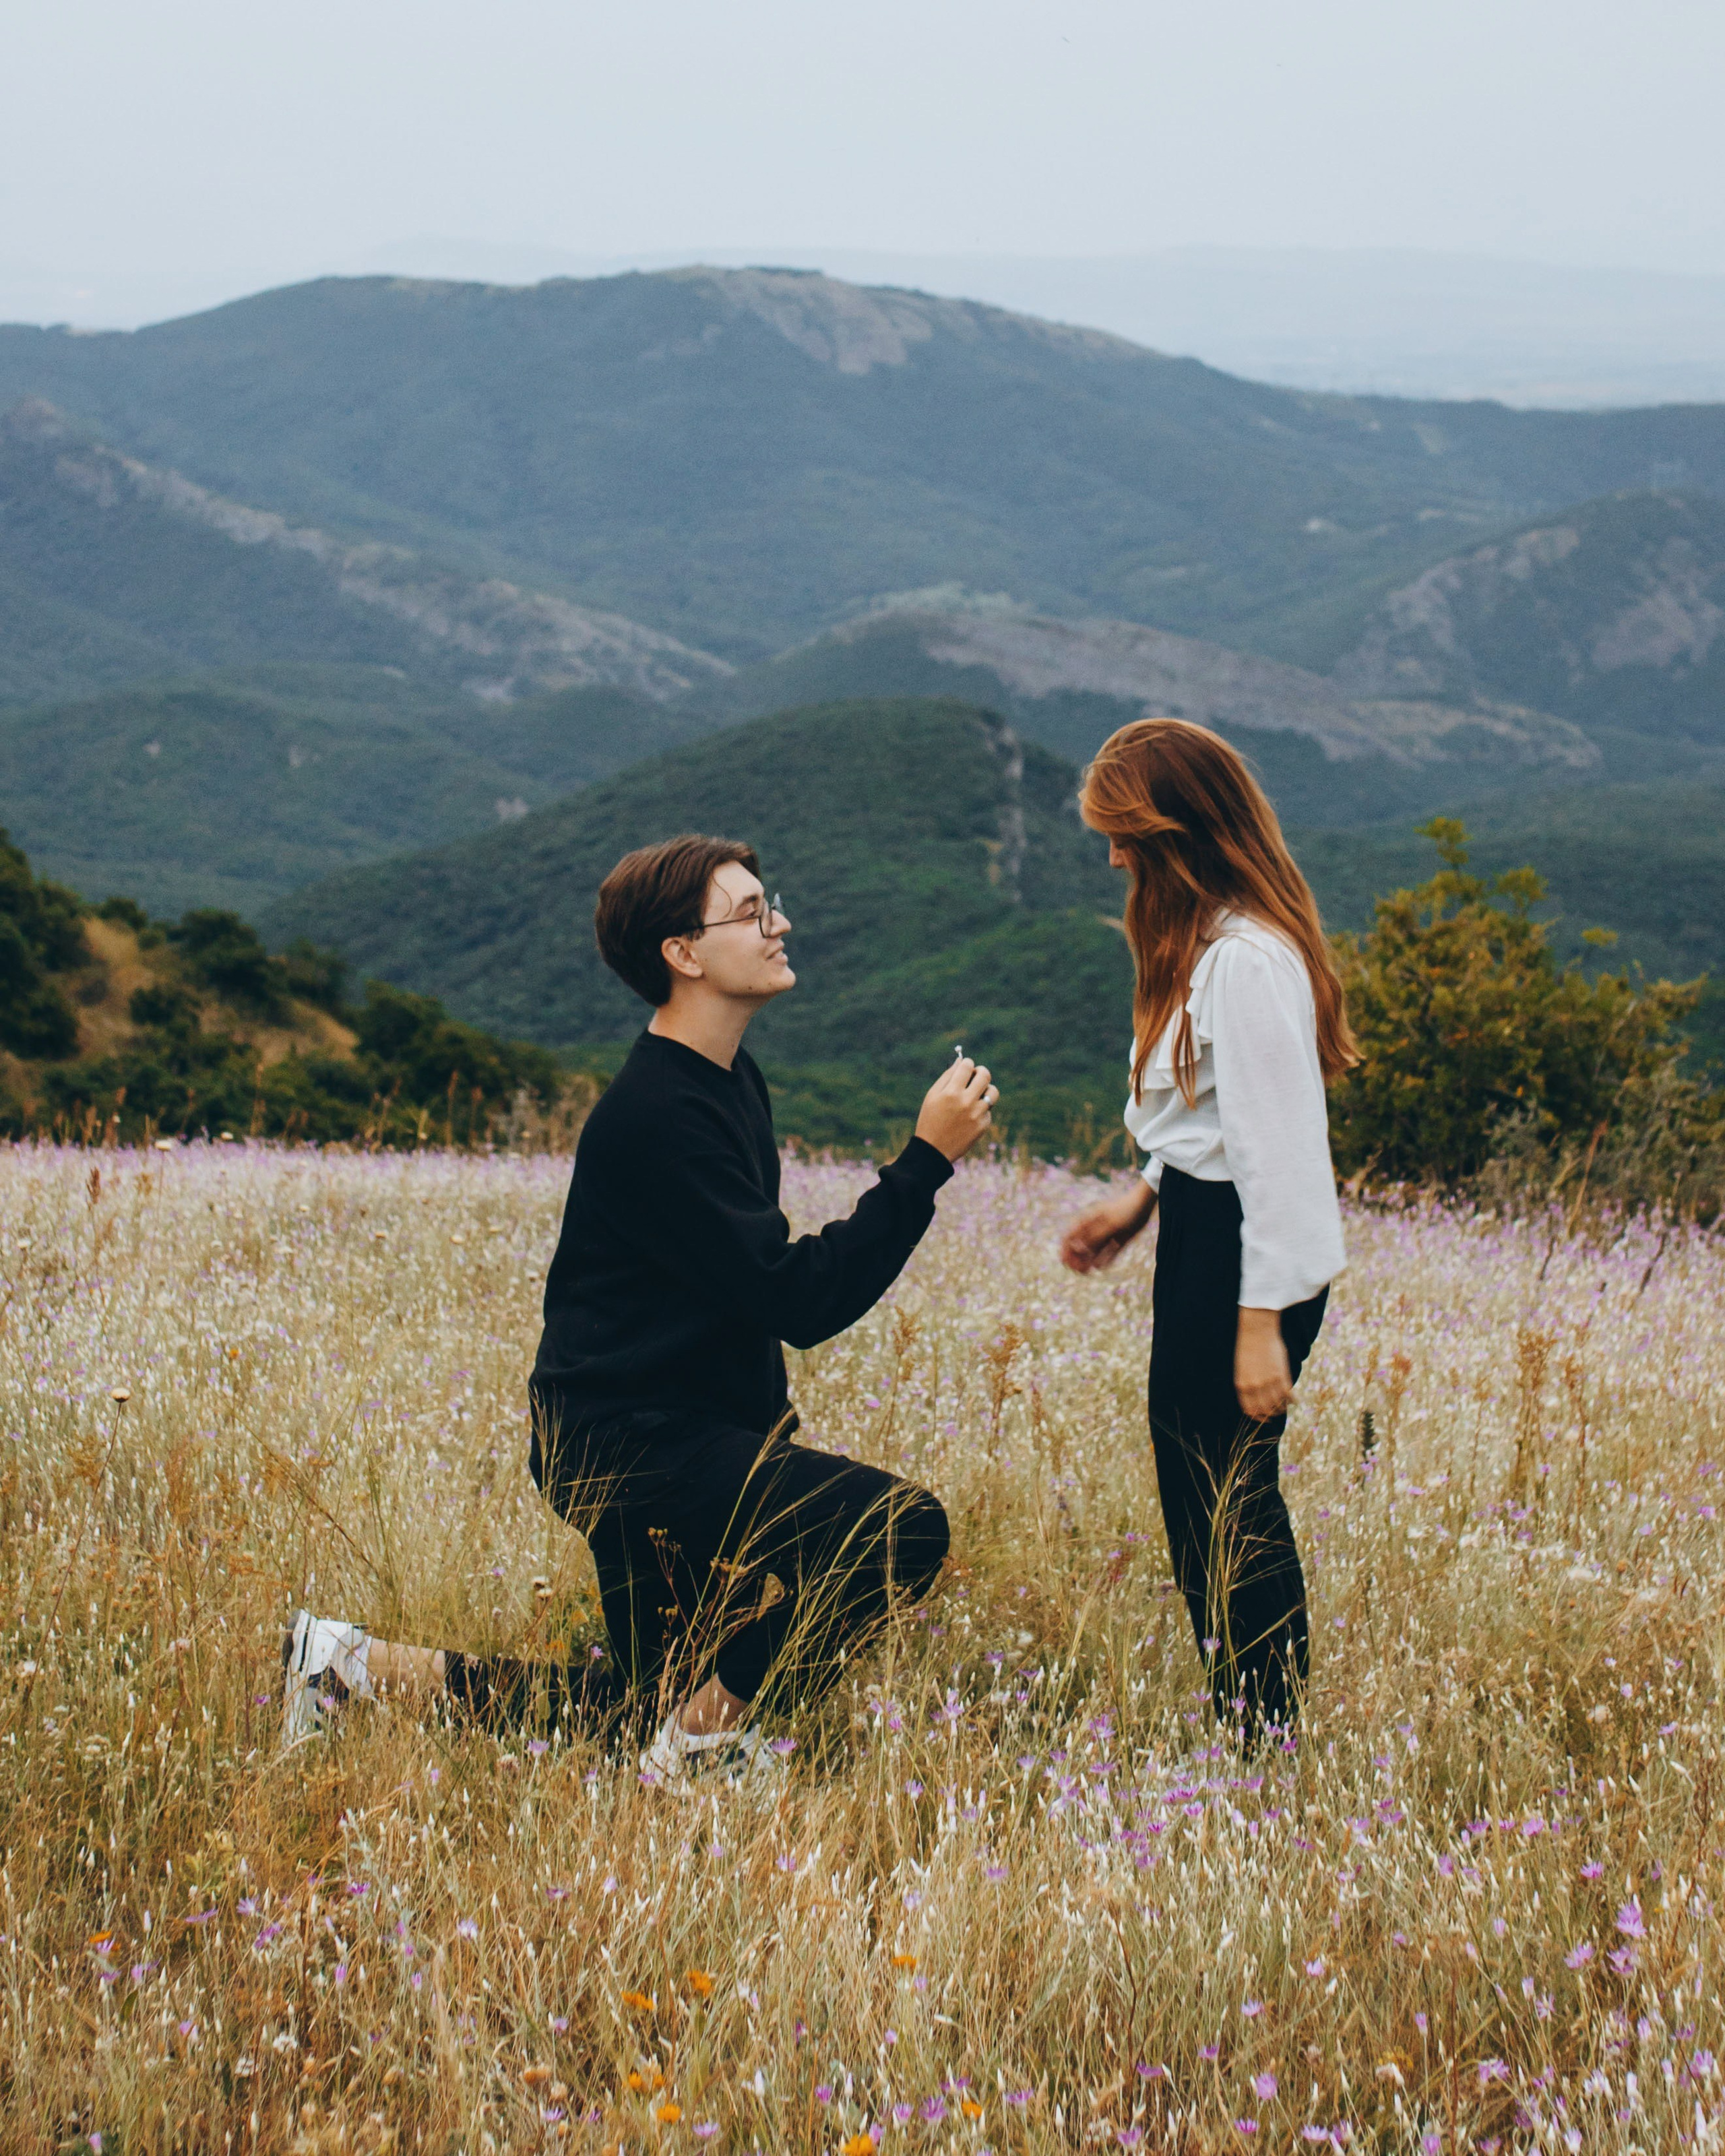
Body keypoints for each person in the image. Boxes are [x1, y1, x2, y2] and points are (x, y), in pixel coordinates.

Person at [284, 833, 999, 1785]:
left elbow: (734, 1295)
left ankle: (344, 1670)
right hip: (624, 1447)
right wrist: (924, 1164)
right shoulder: (658, 1115)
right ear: (683, 953)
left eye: (770, 903)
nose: (780, 923)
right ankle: (704, 1751)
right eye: (751, 912)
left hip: (664, 1430)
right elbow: (797, 1296)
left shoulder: (728, 1080)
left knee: (642, 1705)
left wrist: (764, 1442)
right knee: (899, 1530)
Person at [1059, 720, 1356, 1745]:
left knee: (1227, 1492)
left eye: (1124, 836)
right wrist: (1145, 1195)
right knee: (1199, 1484)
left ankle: (1263, 1733)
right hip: (1206, 1228)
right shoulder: (1209, 949)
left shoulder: (1246, 961)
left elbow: (1282, 1153)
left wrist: (1259, 1319)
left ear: (1175, 837)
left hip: (1244, 1254)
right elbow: (1216, 1119)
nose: (1113, 859)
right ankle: (1249, 1716)